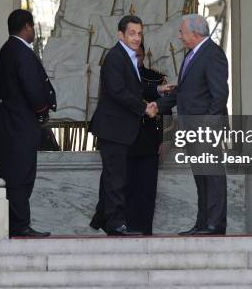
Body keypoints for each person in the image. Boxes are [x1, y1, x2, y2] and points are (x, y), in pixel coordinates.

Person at [89, 15, 170, 236]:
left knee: (114, 176)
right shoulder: (115, 57)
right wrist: (145, 107)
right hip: (113, 129)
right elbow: (118, 91)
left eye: (139, 33)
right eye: (132, 33)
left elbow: (134, 86)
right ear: (121, 35)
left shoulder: (128, 57)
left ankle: (104, 218)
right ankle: (114, 222)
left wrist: (157, 91)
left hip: (119, 130)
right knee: (116, 177)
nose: (136, 38)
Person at [156, 14, 230, 236]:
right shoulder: (192, 54)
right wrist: (158, 105)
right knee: (201, 177)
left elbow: (219, 96)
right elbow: (184, 91)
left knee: (213, 176)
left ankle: (215, 224)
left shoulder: (212, 54)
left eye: (182, 32)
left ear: (195, 34)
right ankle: (202, 223)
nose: (180, 37)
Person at [0, 9, 55, 237]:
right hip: (20, 126)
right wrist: (42, 111)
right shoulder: (21, 52)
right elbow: (33, 89)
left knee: (13, 174)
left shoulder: (6, 50)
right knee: (21, 175)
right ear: (27, 27)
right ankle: (20, 225)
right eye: (32, 27)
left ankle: (16, 224)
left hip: (9, 125)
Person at [125, 43, 169, 235]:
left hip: (149, 141)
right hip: (125, 141)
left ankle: (145, 231)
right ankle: (127, 228)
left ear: (145, 56)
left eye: (140, 55)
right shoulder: (121, 77)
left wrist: (165, 139)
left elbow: (166, 113)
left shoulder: (156, 79)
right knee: (127, 188)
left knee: (147, 190)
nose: (137, 59)